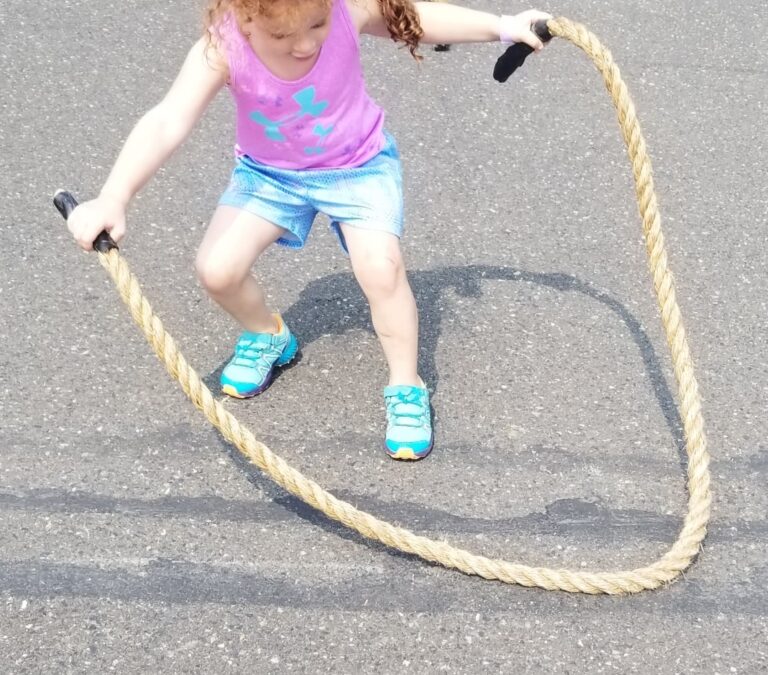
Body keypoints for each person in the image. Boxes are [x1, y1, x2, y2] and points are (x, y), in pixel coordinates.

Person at [66, 0, 551, 460]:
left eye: (316, 25)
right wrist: (115, 195)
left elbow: (415, 16)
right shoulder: (223, 46)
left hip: (357, 166)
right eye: (282, 35)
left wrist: (503, 26)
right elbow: (168, 119)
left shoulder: (344, 8)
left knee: (381, 270)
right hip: (270, 175)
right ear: (245, 14)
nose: (304, 46)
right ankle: (269, 334)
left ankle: (407, 385)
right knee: (216, 270)